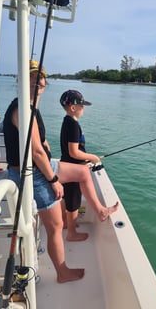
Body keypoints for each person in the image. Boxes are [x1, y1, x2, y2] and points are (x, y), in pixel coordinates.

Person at [3, 60, 119, 283]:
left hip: (40, 166)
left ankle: (101, 211)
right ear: (22, 81)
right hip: (33, 174)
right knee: (55, 225)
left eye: (41, 78)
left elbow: (37, 143)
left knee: (84, 173)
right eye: (33, 78)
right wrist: (54, 179)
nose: (39, 82)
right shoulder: (23, 109)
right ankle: (62, 272)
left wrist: (44, 142)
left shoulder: (30, 108)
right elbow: (35, 152)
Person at [60, 90, 100, 242]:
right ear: (73, 107)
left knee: (67, 198)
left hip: (66, 165)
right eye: (82, 106)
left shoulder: (67, 122)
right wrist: (92, 157)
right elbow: (74, 152)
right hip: (73, 170)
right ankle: (71, 233)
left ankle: (65, 224)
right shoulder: (73, 126)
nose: (83, 108)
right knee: (73, 202)